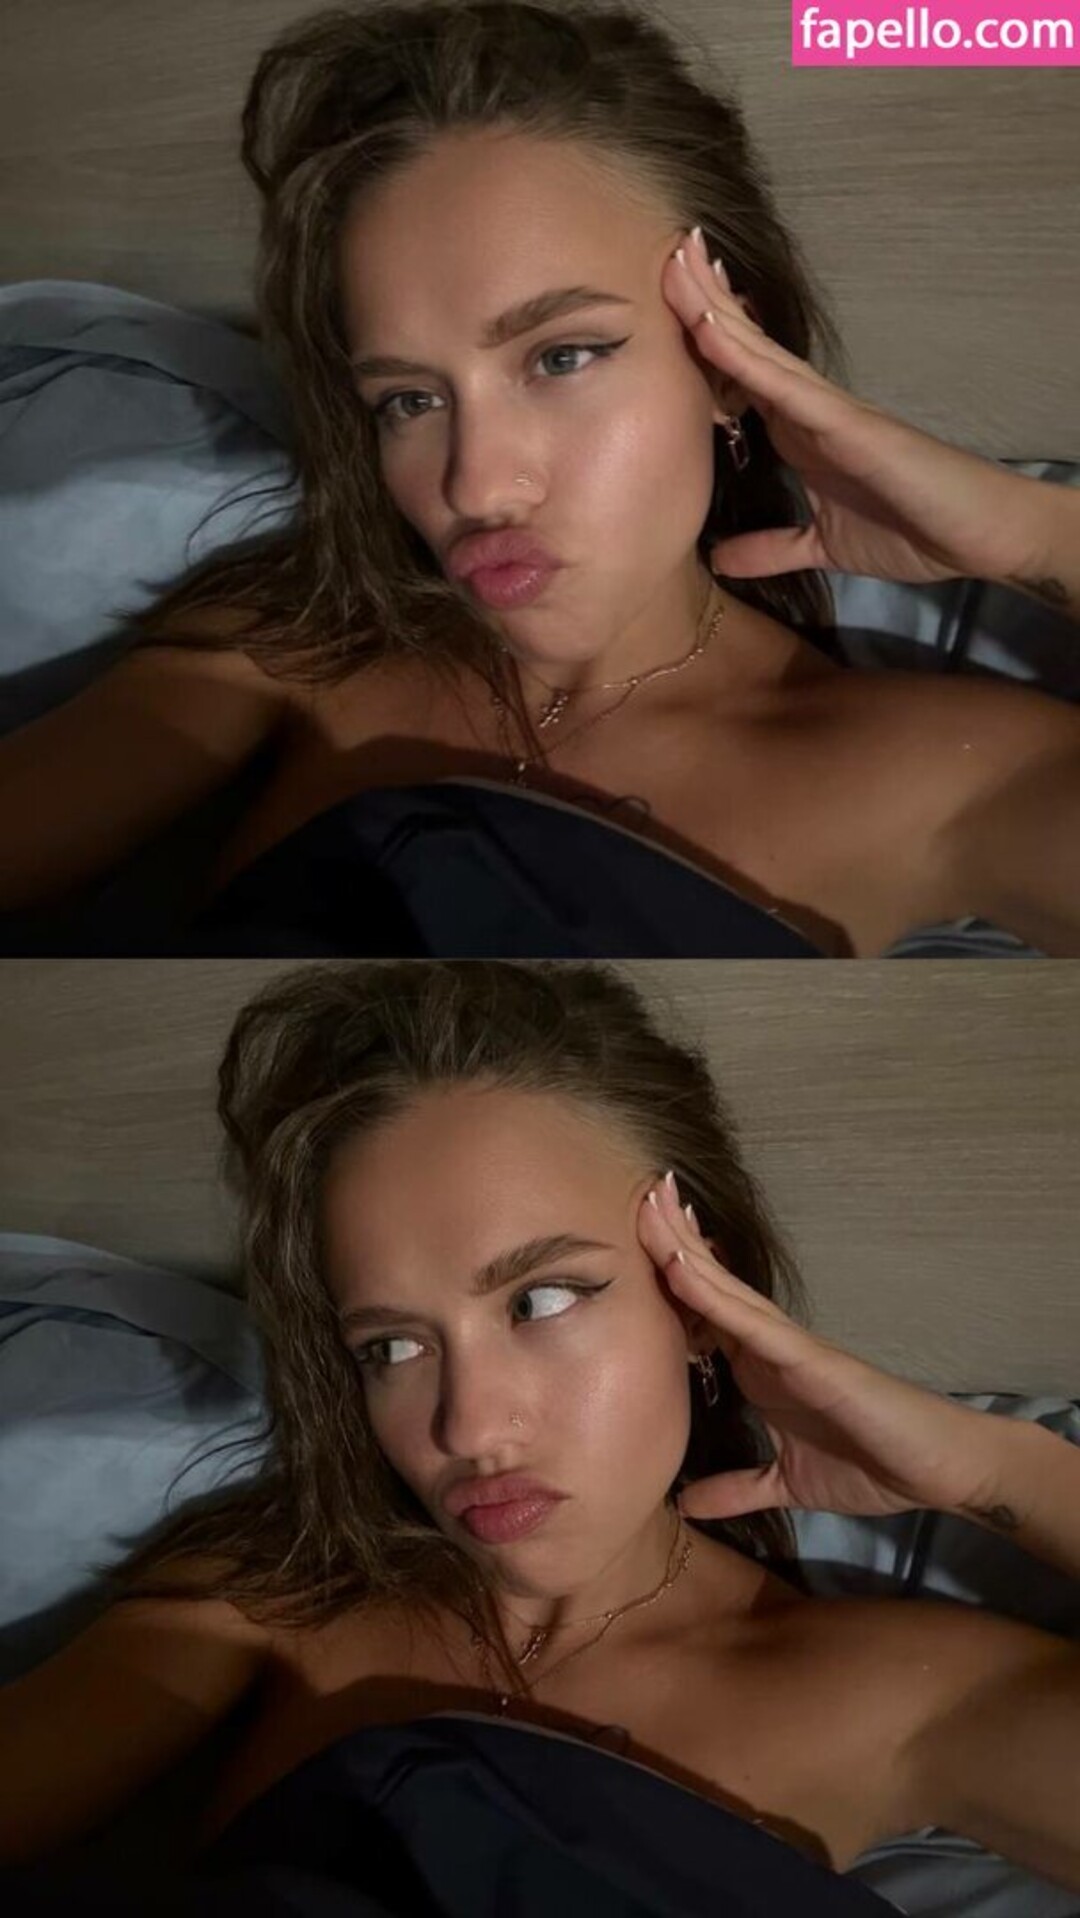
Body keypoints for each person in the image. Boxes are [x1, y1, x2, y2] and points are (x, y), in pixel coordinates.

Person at [2, 0, 1078, 956]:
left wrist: (1039, 537)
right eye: (408, 401)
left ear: (729, 365)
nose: (476, 487)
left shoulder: (941, 772)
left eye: (561, 357)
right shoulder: (290, 650)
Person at [3, 959, 1078, 1912]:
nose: (468, 1426)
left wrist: (999, 1469)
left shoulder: (890, 1693)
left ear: (699, 1304)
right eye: (391, 1347)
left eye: (543, 1299)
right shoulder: (268, 1602)